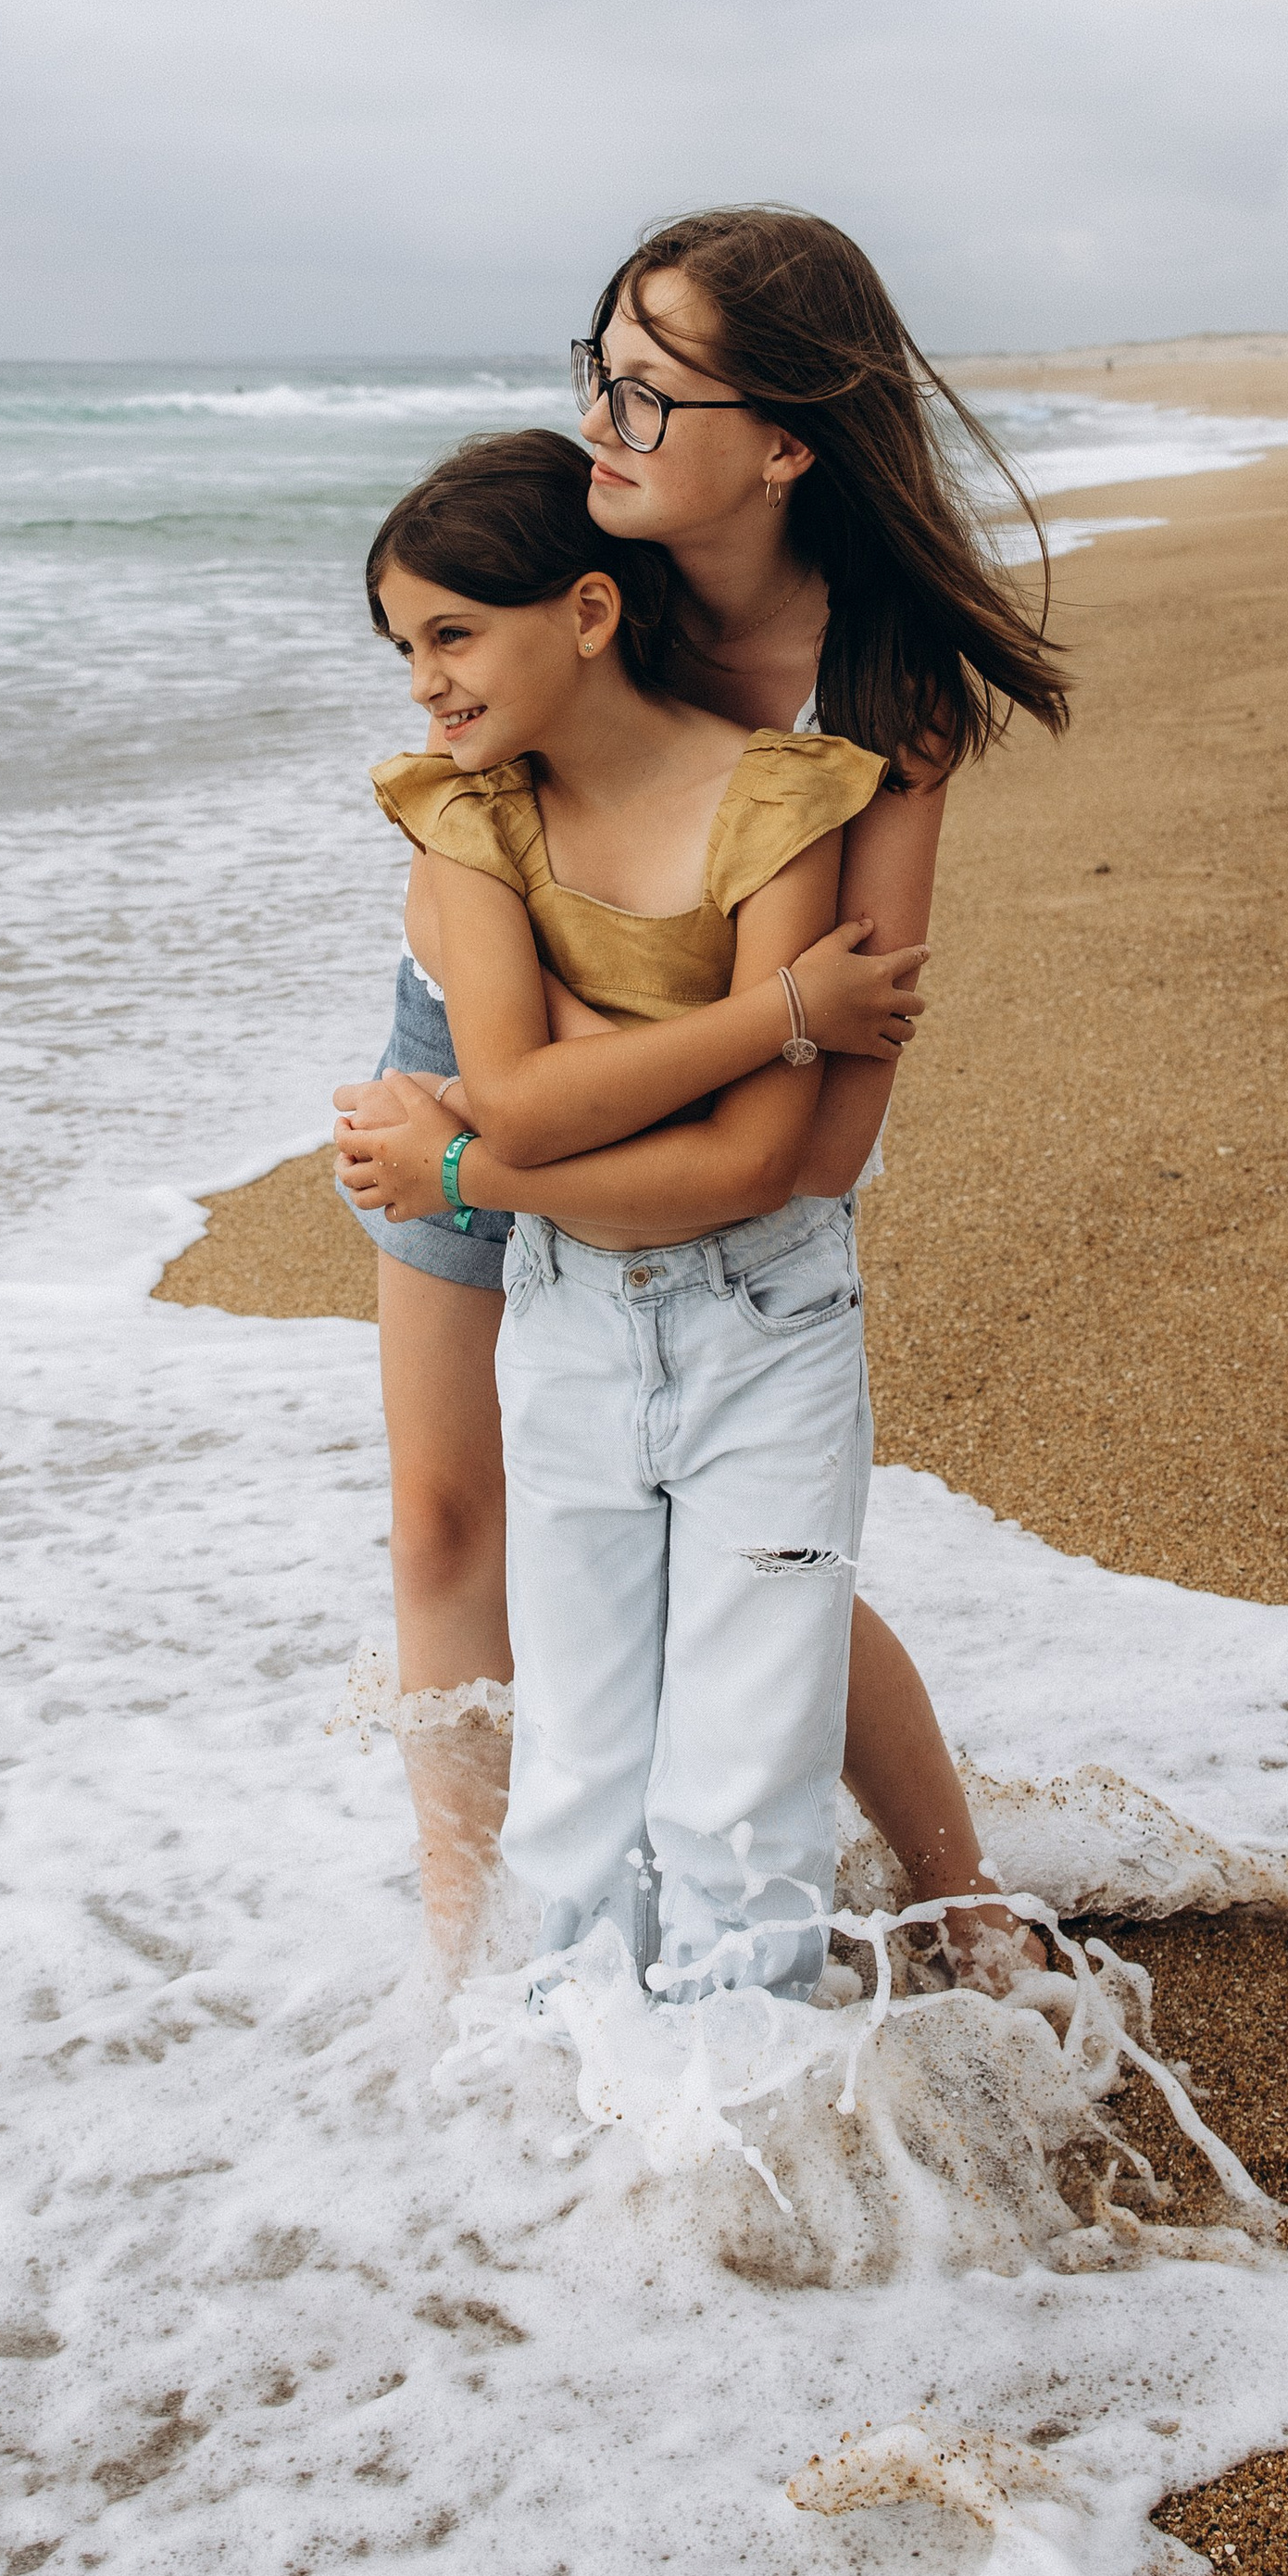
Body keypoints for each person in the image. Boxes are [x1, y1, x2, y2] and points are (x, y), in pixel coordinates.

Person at [338, 204, 1069, 1979]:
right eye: (603, 369)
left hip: (588, 1116)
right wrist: (493, 1113)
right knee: (446, 1509)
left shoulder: (879, 694)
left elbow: (814, 1141)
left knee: (745, 1546)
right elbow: (465, 798)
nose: (604, 421)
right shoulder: (591, 572)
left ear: (789, 443)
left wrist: (487, 1155)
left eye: (654, 393)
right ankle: (473, 1957)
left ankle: (960, 1885)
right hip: (486, 1035)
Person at [342, 427, 904, 1997]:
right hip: (569, 1300)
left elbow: (750, 1164)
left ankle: (759, 2144)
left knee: (742, 1792)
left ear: (589, 612)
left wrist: (470, 1155)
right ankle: (555, 2136)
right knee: (584, 1786)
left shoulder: (781, 797)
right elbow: (510, 1099)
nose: (424, 682)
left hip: (765, 1307)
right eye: (405, 645)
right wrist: (783, 1006)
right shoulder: (468, 815)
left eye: (452, 632)